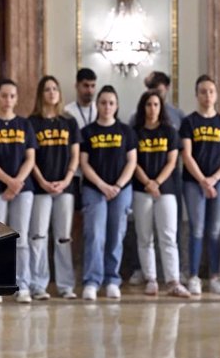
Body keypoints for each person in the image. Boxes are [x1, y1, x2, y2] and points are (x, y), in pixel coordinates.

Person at [126, 71, 186, 286]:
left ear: (162, 107)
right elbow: (133, 162)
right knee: (144, 237)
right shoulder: (134, 131)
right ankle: (150, 278)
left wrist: (157, 182)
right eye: (148, 105)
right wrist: (147, 183)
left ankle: (173, 280)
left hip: (166, 188)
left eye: (156, 105)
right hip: (141, 189)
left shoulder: (170, 131)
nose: (152, 109)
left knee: (168, 236)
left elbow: (172, 161)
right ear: (143, 107)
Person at [0, 79, 37, 304]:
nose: (8, 100)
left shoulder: (25, 125)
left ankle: (23, 285)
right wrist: (8, 181)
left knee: (21, 238)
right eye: (4, 95)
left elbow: (30, 158)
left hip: (23, 189)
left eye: (12, 96)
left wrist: (17, 182)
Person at [80, 85, 137, 301]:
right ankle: (92, 281)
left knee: (116, 235)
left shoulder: (126, 131)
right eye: (103, 102)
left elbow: (132, 161)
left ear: (117, 106)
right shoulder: (88, 132)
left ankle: (112, 279)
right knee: (95, 235)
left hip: (121, 191)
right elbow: (83, 164)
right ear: (97, 105)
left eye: (111, 103)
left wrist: (118, 186)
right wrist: (103, 185)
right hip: (94, 189)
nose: (107, 106)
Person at [180, 75, 220, 296]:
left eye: (211, 91)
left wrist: (213, 179)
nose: (207, 95)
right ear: (196, 95)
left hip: (219, 182)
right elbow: (187, 155)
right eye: (203, 91)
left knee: (214, 231)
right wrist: (203, 180)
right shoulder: (189, 122)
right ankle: (193, 276)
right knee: (197, 230)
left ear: (216, 94)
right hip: (194, 183)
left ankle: (214, 277)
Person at [28, 75, 80, 300]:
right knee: (38, 236)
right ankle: (38, 285)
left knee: (63, 237)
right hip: (41, 187)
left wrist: (67, 180)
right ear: (41, 94)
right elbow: (30, 158)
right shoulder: (32, 122)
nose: (51, 93)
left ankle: (66, 285)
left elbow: (76, 156)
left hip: (64, 187)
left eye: (55, 89)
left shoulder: (69, 122)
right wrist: (42, 181)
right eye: (47, 89)